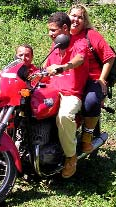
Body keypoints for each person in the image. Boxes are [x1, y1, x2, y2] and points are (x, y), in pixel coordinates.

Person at [43, 12, 89, 178]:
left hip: (71, 93)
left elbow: (79, 59)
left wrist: (63, 67)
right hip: (52, 90)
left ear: (64, 28)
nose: (50, 34)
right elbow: (46, 67)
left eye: (53, 30)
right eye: (49, 30)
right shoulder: (55, 45)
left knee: (64, 116)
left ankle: (71, 157)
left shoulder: (80, 42)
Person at [67, 4, 115, 153]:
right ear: (67, 16)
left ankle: (86, 139)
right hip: (71, 79)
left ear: (84, 20)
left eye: (80, 17)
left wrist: (101, 79)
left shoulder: (91, 35)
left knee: (91, 101)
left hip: (91, 79)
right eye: (73, 15)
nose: (76, 19)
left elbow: (109, 57)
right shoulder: (64, 35)